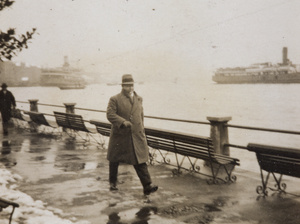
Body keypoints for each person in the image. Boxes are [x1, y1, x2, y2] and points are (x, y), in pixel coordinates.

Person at [106, 74, 158, 196]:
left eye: (132, 85)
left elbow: (141, 116)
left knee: (139, 160)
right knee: (114, 160)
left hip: (135, 135)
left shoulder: (138, 99)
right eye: (128, 85)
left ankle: (147, 185)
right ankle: (112, 183)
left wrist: (142, 131)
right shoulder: (115, 99)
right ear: (123, 86)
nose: (130, 88)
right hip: (120, 135)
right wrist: (122, 122)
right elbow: (110, 114)